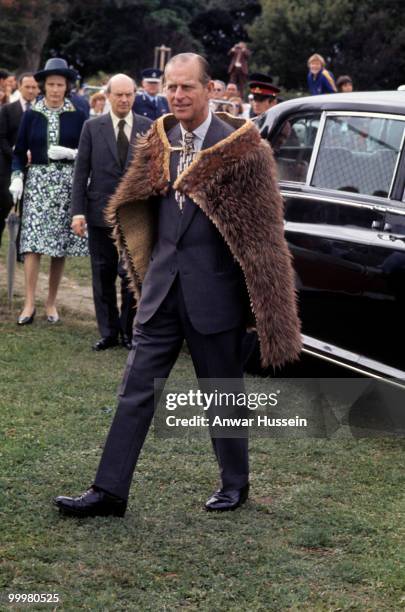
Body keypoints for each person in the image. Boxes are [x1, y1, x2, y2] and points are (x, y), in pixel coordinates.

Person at [54, 52, 301, 519]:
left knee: (221, 395)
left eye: (188, 86)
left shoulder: (242, 149)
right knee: (135, 390)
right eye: (172, 86)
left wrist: (265, 308)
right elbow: (138, 206)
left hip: (215, 297)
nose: (178, 95)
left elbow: (265, 237)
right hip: (161, 292)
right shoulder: (158, 140)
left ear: (209, 89)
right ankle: (109, 491)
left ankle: (235, 484)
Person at [71, 74, 152, 351]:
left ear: (135, 95)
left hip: (134, 215)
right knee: (102, 272)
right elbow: (81, 173)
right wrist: (77, 212)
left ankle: (129, 331)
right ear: (107, 95)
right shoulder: (92, 128)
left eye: (129, 94)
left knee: (130, 274)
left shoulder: (147, 127)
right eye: (118, 94)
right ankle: (108, 332)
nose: (124, 99)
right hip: (98, 212)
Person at [9, 58, 88, 325]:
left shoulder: (78, 114)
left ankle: (51, 302)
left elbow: (88, 152)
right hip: (38, 184)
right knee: (32, 245)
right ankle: (29, 302)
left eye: (60, 85)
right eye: (51, 84)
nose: (55, 89)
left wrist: (72, 154)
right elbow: (19, 152)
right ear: (44, 86)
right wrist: (17, 177)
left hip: (67, 185)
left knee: (58, 247)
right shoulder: (32, 114)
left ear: (67, 87)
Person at [0, 73, 38, 246]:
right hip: (8, 168)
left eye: (34, 87)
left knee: (28, 212)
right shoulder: (8, 110)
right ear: (20, 87)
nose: (31, 90)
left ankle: (20, 250)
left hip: (34, 170)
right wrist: (15, 154)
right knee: (3, 208)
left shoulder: (42, 111)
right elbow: (1, 137)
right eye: (27, 87)